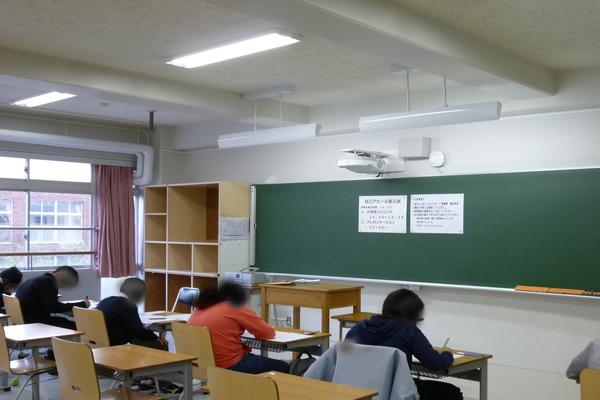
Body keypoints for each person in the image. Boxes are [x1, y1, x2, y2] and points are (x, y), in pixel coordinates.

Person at [346, 289, 463, 400]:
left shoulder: (358, 329)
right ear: (411, 316)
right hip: (397, 392)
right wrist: (447, 354)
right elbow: (436, 363)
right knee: (452, 393)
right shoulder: (408, 331)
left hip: (360, 391)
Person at [187, 282, 289, 374]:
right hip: (230, 365)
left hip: (200, 365)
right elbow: (268, 333)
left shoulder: (200, 308)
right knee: (284, 367)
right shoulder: (233, 306)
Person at [96, 277, 168, 350]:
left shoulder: (104, 301)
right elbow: (139, 331)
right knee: (162, 345)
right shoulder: (128, 305)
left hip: (101, 343)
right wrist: (155, 337)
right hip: (120, 345)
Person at [16, 266, 89, 329]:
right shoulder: (47, 282)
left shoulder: (36, 280)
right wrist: (82, 304)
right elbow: (53, 307)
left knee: (64, 320)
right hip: (36, 324)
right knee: (80, 326)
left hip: (27, 319)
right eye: (68, 283)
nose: (65, 287)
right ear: (65, 276)